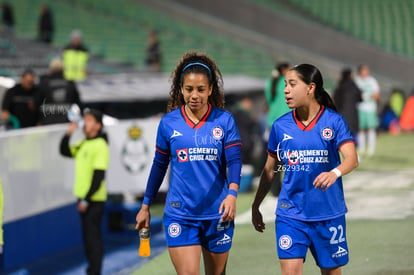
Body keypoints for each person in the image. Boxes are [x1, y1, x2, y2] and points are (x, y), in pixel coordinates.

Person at [135, 51, 242, 275]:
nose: (194, 95)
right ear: (181, 89)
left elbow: (233, 161)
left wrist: (232, 194)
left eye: (201, 90)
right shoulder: (169, 123)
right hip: (180, 214)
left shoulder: (224, 121)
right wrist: (145, 205)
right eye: (189, 89)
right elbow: (158, 166)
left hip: (218, 213)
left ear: (211, 89)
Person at [252, 64, 359, 275]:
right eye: (285, 85)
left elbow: (352, 159)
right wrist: (256, 205)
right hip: (290, 214)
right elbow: (270, 169)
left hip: (328, 214)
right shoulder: (280, 127)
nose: (286, 90)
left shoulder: (334, 121)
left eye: (292, 84)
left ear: (310, 88)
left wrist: (334, 173)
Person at [59, 108, 109, 275]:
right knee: (88, 239)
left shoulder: (100, 145)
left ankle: (95, 271)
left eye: (89, 120)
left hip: (93, 201)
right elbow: (65, 151)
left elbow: (98, 176)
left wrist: (86, 200)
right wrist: (68, 134)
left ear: (98, 125)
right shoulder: (83, 143)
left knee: (93, 239)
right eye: (85, 119)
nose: (85, 123)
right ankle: (92, 270)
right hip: (83, 200)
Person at [264, 62, 291, 197]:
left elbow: (269, 102)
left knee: (275, 159)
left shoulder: (270, 84)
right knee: (292, 158)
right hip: (287, 124)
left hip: (272, 124)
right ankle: (290, 187)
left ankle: (275, 189)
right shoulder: (288, 83)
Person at [38, 58, 81, 125]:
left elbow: (38, 102)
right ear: (63, 70)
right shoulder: (70, 83)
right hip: (66, 120)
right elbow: (77, 101)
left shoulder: (44, 83)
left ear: (51, 70)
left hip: (47, 120)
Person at [354, 64, 380, 158]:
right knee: (361, 129)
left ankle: (371, 150)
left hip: (370, 108)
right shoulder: (356, 81)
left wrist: (368, 97)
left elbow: (377, 95)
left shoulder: (372, 81)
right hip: (360, 108)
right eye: (364, 70)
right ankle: (362, 149)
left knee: (371, 128)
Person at [333, 68, 362, 140]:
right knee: (352, 136)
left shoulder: (339, 86)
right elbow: (360, 98)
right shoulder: (354, 86)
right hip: (352, 114)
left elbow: (335, 100)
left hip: (341, 114)